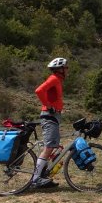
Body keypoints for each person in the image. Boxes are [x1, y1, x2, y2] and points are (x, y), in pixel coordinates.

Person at [31, 57, 69, 188]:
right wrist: (48, 106)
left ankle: (43, 176)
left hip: (54, 117)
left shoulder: (57, 80)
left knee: (52, 146)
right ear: (60, 69)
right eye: (66, 67)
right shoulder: (53, 79)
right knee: (48, 148)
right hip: (49, 116)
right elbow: (39, 90)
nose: (67, 70)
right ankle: (36, 179)